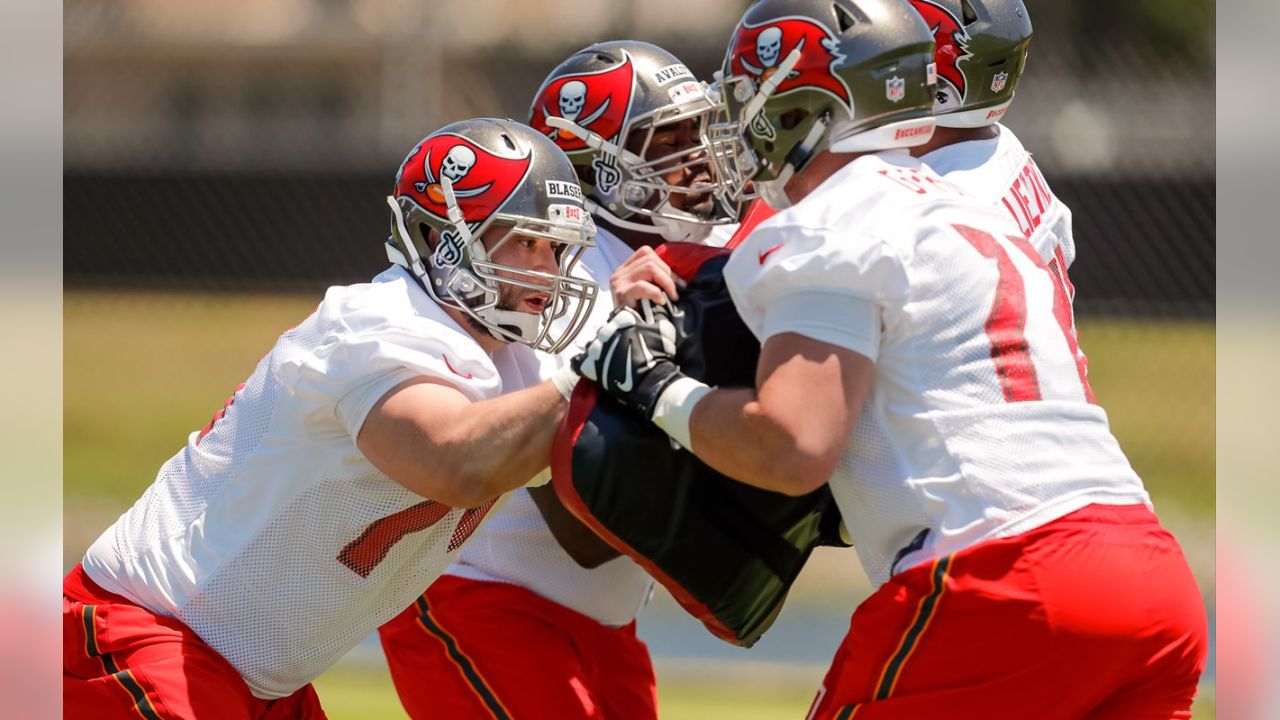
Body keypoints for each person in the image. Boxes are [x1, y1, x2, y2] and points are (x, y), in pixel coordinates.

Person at [574, 0, 1208, 717]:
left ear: (800, 105)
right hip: (1148, 571)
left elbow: (792, 444)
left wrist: (655, 387)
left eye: (749, 99)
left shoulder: (834, 222)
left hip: (1007, 576)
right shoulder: (974, 201)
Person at [62, 117, 598, 719]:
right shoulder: (378, 325)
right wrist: (602, 370)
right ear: (446, 236)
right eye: (524, 241)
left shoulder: (518, 361)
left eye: (556, 248)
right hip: (150, 636)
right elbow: (457, 462)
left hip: (261, 679)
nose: (548, 271)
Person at [377, 40, 739, 720]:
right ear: (594, 165)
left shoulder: (709, 245)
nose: (698, 156)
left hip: (602, 614)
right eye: (669, 138)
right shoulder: (556, 276)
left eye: (698, 131)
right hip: (483, 594)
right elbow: (578, 505)